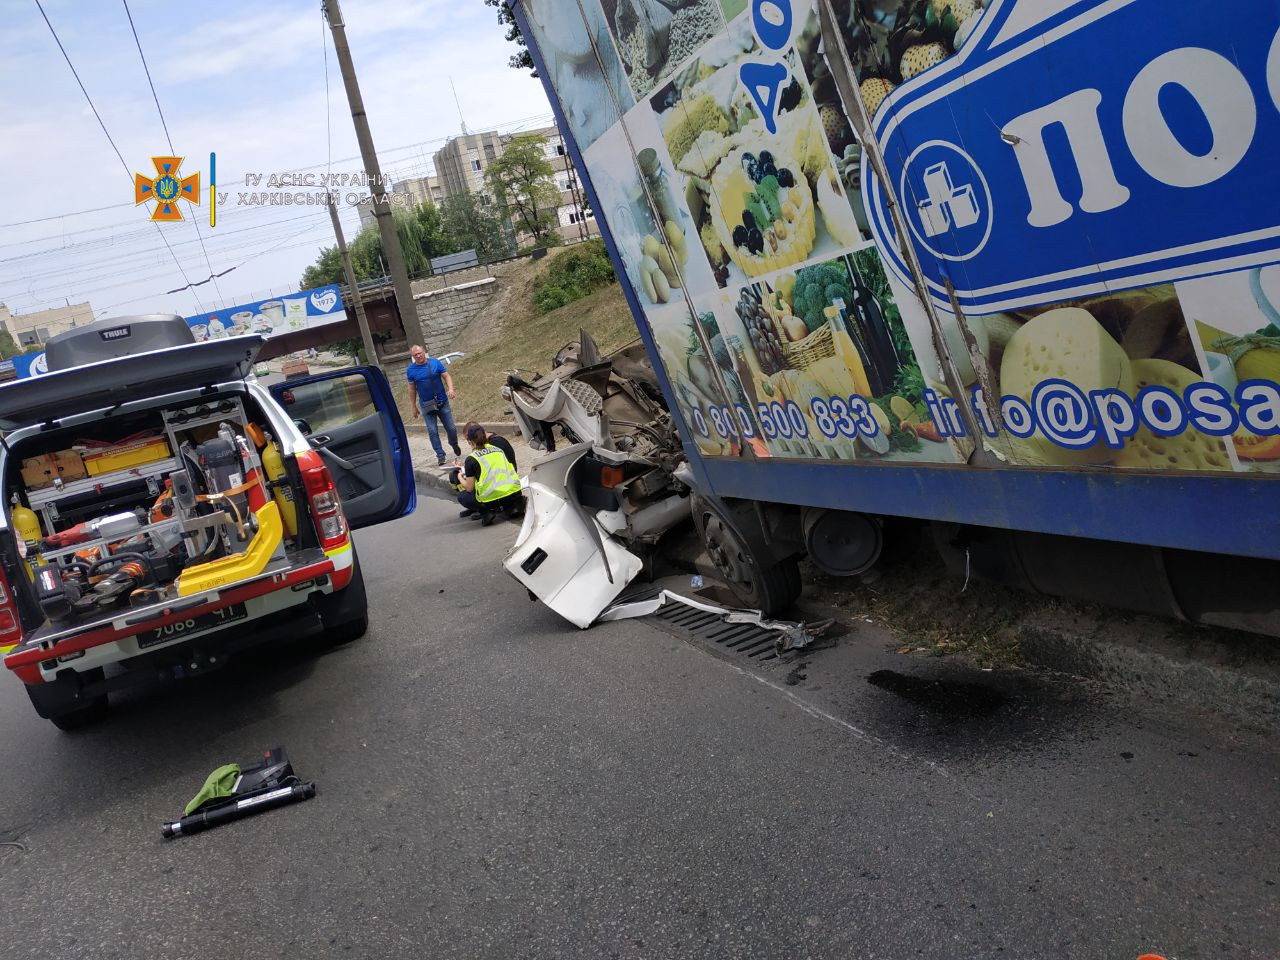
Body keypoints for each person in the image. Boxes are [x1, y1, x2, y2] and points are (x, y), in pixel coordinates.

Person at [454, 423, 523, 526]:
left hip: (492, 500)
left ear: (470, 442)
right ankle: (511, 507)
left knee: (462, 496)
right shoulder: (498, 450)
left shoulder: (472, 458)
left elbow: (469, 487)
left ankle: (487, 512)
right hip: (513, 492)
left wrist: (459, 476)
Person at [405, 345, 459, 466]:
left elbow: (446, 376)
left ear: (424, 352)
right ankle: (440, 455)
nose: (418, 356)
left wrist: (450, 389)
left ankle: (453, 443)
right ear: (413, 357)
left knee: (451, 428)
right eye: (415, 355)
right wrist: (413, 406)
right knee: (432, 430)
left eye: (420, 353)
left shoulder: (435, 363)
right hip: (426, 405)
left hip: (442, 402)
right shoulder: (411, 370)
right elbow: (412, 389)